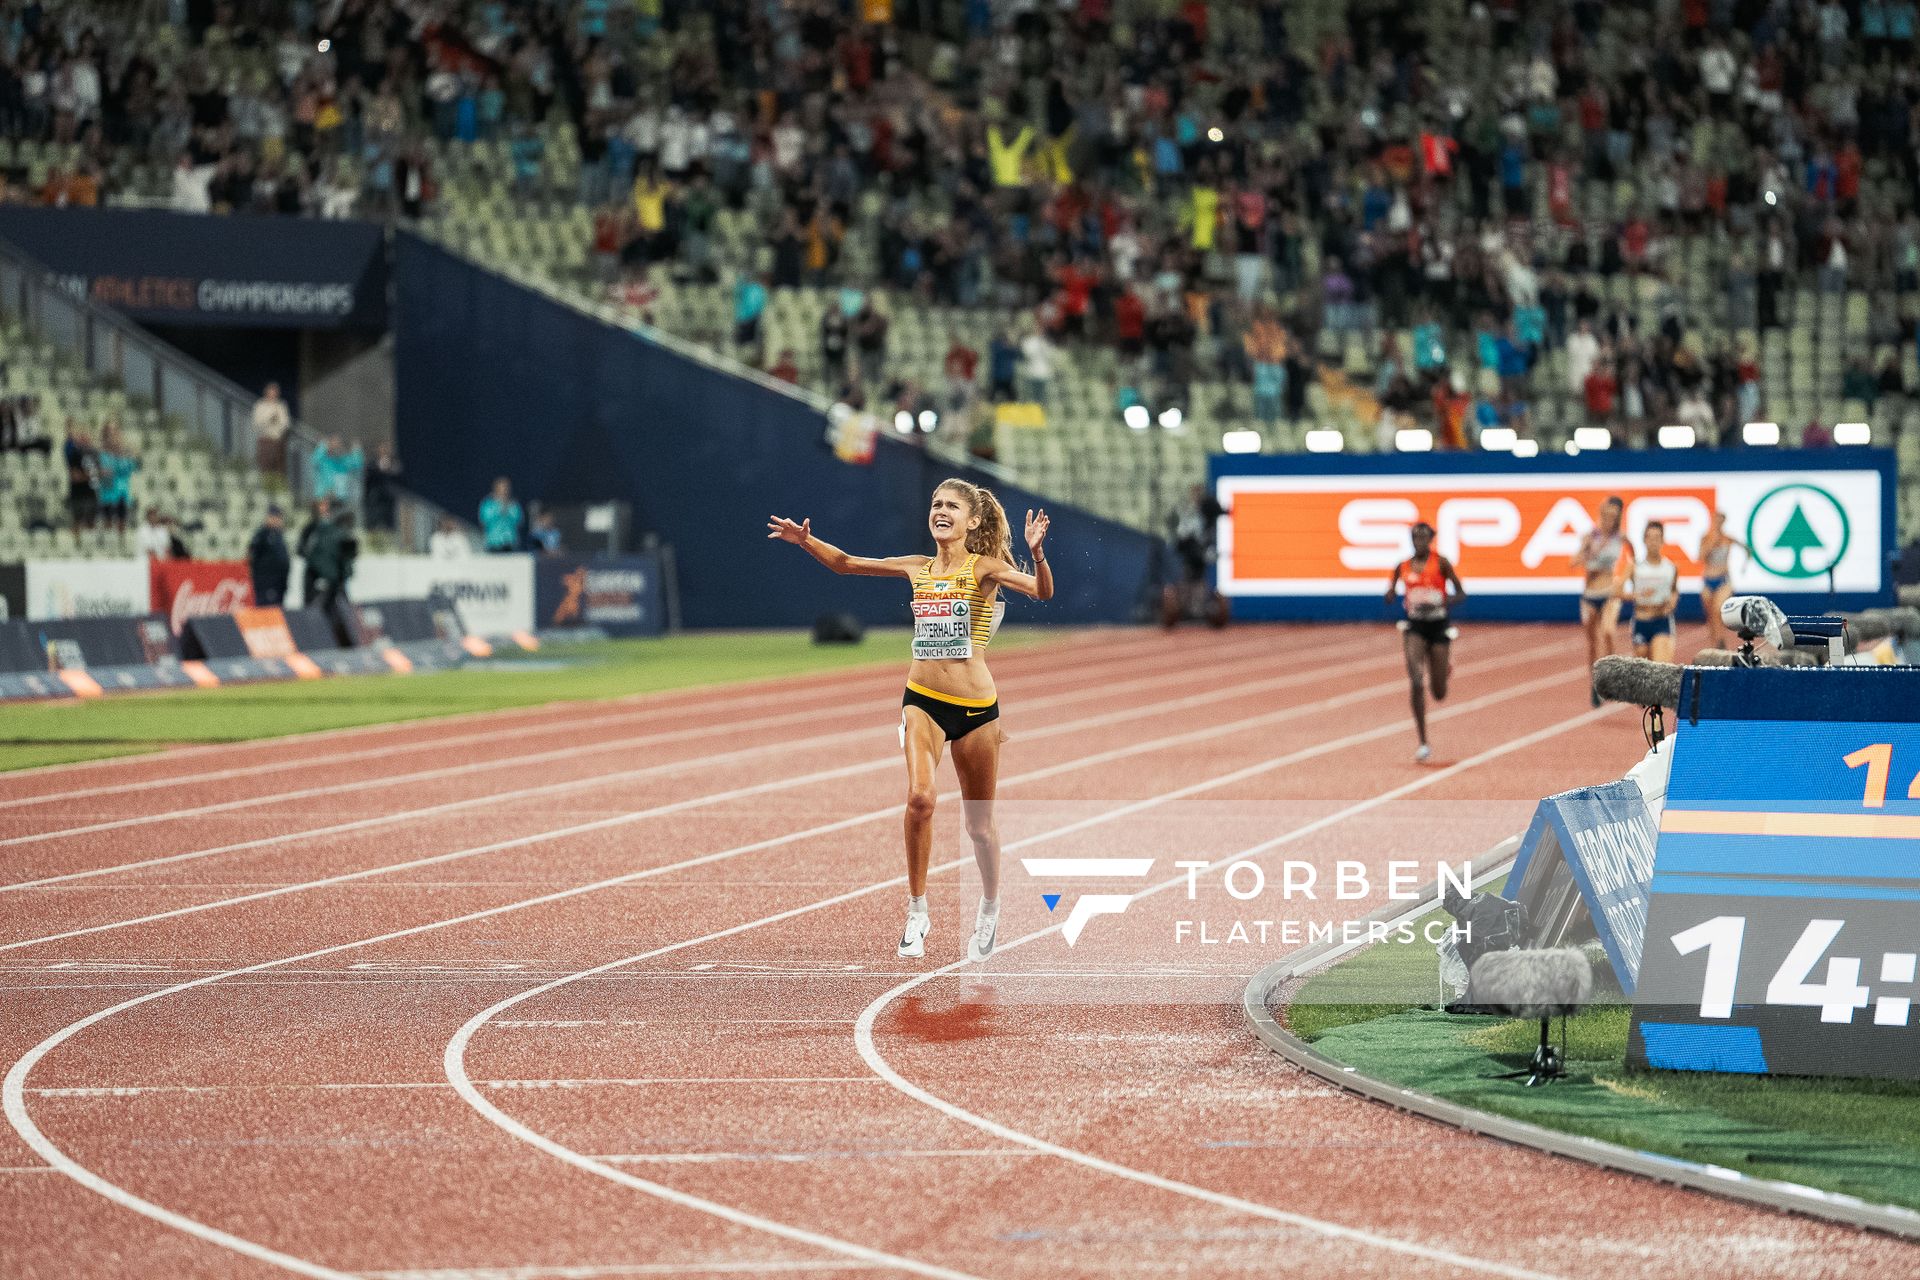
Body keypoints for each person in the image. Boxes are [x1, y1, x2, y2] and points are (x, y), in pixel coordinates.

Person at [767, 481, 1053, 962]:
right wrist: (805, 541)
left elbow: (1042, 593)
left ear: (973, 522)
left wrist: (1037, 554)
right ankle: (917, 911)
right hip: (921, 699)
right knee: (920, 798)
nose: (940, 511)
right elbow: (847, 563)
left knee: (979, 826)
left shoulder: (983, 568)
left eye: (952, 507)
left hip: (978, 711)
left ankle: (989, 906)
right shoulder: (915, 567)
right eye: (936, 504)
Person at [1384, 522, 1466, 763]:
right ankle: (1422, 741)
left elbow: (1461, 592)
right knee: (1416, 680)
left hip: (1438, 625)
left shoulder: (1441, 563)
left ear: (1430, 539)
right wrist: (1389, 596)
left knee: (1438, 692)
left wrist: (1444, 599)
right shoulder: (1403, 566)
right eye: (1414, 537)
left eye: (1423, 537)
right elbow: (1390, 593)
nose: (1418, 541)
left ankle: (1444, 667)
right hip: (1415, 627)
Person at [1572, 495, 1630, 705]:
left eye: (1614, 517)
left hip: (1609, 593)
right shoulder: (1590, 537)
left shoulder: (1621, 538)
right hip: (1589, 596)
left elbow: (1633, 560)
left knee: (1608, 631)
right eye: (1606, 516)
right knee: (1593, 644)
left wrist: (1623, 580)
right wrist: (1586, 551)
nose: (1609, 520)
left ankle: (1613, 677)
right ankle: (1595, 686)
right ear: (1601, 515)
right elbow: (1574, 562)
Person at [1164, 483, 1228, 628]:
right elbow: (1179, 534)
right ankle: (1189, 604)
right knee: (1190, 576)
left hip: (1201, 552)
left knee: (1198, 577)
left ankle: (1200, 605)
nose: (1196, 497)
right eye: (1194, 494)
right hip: (1190, 551)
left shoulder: (1208, 508)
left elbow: (1218, 511)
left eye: (1198, 494)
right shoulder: (1186, 512)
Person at [1620, 521, 1679, 663]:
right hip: (1641, 620)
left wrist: (1672, 602)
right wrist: (1637, 596)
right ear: (1644, 540)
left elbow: (1674, 590)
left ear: (1662, 541)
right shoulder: (1635, 567)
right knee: (1643, 672)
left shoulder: (1670, 567)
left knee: (1660, 668)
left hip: (1662, 621)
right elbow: (1616, 592)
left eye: (1657, 538)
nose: (1653, 542)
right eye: (1650, 538)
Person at [304, 506, 359, 631]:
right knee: (324, 605)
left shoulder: (340, 534)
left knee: (338, 605)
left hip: (335, 579)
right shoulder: (330, 534)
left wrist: (344, 574)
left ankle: (340, 630)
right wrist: (330, 577)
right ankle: (318, 630)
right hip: (326, 579)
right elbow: (322, 558)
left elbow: (346, 557)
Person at [1700, 511, 1748, 648]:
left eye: (1720, 521)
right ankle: (1715, 641)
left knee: (1718, 610)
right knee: (1710, 615)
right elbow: (1700, 557)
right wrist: (1711, 543)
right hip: (1708, 579)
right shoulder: (1705, 538)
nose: (1718, 523)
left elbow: (1747, 549)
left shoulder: (1728, 538)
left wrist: (1744, 566)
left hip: (1723, 579)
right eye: (1716, 521)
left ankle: (1721, 639)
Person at [94, 422, 139, 533]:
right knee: (108, 525)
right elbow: (99, 473)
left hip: (122, 494)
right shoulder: (100, 454)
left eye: (115, 433)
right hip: (107, 495)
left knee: (122, 524)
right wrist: (102, 472)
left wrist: (126, 454)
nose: (113, 437)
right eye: (110, 433)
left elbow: (133, 468)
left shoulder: (126, 454)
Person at [247, 506, 292, 606]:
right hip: (266, 582)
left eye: (279, 518)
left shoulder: (279, 535)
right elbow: (252, 555)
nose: (277, 521)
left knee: (277, 609)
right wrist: (261, 577)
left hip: (279, 582)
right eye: (275, 517)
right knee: (267, 609)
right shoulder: (262, 535)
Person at [297, 497, 334, 603]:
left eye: (326, 506)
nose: (324, 508)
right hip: (313, 575)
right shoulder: (310, 528)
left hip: (333, 575)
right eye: (321, 505)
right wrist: (315, 561)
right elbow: (300, 549)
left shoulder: (337, 528)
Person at [64, 424, 99, 530]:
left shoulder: (95, 454)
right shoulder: (74, 454)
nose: (86, 440)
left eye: (87, 437)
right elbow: (75, 476)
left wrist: (93, 475)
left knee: (91, 522)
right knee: (77, 521)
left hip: (91, 493)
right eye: (83, 438)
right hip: (78, 494)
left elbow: (99, 472)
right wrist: (90, 475)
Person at [253, 383, 291, 478]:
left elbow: (286, 423)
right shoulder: (260, 405)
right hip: (266, 440)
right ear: (266, 393)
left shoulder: (281, 405)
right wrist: (270, 418)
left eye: (276, 393)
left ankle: (278, 488)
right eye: (272, 392)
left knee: (279, 470)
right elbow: (256, 423)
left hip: (278, 441)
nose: (274, 395)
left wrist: (279, 422)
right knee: (265, 469)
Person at [364, 444, 401, 535]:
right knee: (374, 520)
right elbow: (368, 479)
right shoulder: (372, 464)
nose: (383, 451)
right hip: (375, 498)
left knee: (389, 521)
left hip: (389, 498)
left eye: (385, 449)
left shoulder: (394, 464)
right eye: (381, 449)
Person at [480, 477, 524, 552]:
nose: (504, 490)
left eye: (506, 488)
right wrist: (498, 509)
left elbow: (519, 521)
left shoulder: (514, 504)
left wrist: (508, 511)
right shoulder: (488, 503)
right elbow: (484, 520)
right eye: (502, 488)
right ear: (496, 488)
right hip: (493, 542)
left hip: (510, 542)